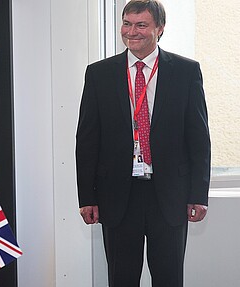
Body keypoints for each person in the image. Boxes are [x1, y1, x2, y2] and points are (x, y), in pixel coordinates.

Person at [75, 1, 211, 286]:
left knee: (169, 278)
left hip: (170, 196)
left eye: (141, 25)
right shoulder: (99, 74)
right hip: (117, 196)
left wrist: (198, 193)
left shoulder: (186, 72)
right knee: (121, 279)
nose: (131, 32)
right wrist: (87, 196)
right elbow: (87, 139)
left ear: (159, 29)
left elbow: (198, 138)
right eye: (127, 23)